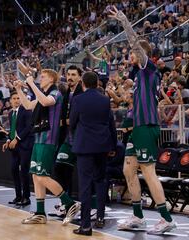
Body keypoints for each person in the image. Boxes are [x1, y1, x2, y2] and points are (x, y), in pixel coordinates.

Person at [109, 7, 176, 234]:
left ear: (141, 54)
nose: (130, 54)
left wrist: (124, 21)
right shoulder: (137, 75)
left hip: (147, 127)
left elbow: (135, 41)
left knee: (148, 171)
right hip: (137, 128)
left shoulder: (148, 69)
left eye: (133, 52)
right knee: (129, 169)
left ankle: (166, 218)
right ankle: (138, 216)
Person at [14, 69, 80, 225]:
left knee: (42, 176)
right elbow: (29, 105)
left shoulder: (55, 94)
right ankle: (40, 212)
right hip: (38, 139)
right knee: (36, 176)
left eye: (42, 77)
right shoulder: (43, 95)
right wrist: (19, 90)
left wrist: (30, 83)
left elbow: (44, 101)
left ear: (51, 79)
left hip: (48, 140)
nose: (40, 79)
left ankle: (70, 203)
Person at [69, 72, 116, 236]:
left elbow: (72, 122)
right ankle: (101, 217)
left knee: (85, 186)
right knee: (101, 181)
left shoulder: (77, 100)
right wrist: (113, 145)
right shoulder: (105, 100)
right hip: (102, 146)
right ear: (97, 83)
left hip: (84, 147)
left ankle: (86, 226)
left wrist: (75, 137)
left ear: (83, 84)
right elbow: (111, 123)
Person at [49, 65, 84, 217]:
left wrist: (69, 121)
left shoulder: (82, 93)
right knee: (59, 169)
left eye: (73, 75)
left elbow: (83, 115)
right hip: (66, 139)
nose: (70, 77)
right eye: (68, 74)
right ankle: (66, 203)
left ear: (79, 77)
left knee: (80, 174)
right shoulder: (66, 92)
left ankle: (87, 207)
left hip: (80, 139)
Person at [2, 91, 34, 206]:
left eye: (18, 98)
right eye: (14, 98)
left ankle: (26, 197)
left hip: (25, 145)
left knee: (24, 171)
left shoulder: (26, 110)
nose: (16, 100)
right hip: (15, 146)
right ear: (10, 101)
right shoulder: (11, 113)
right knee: (14, 170)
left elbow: (29, 127)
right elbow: (12, 130)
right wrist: (8, 140)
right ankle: (18, 196)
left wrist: (17, 139)